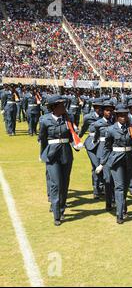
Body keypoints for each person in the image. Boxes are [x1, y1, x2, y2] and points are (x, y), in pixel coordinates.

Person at [39, 95, 81, 226]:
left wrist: (76, 144)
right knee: (56, 183)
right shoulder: (45, 120)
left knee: (64, 183)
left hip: (66, 153)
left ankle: (61, 208)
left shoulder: (69, 119)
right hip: (52, 154)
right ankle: (57, 213)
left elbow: (71, 137)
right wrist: (42, 154)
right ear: (54, 107)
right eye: (61, 105)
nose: (64, 107)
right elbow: (43, 139)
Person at [99, 103, 132, 224]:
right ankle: (119, 213)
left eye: (125, 115)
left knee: (126, 186)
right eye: (121, 115)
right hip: (116, 160)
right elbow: (107, 147)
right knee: (119, 187)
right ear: (117, 116)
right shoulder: (111, 129)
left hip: (129, 159)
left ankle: (123, 207)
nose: (123, 117)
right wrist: (102, 163)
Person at [80, 98, 103, 199]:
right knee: (96, 166)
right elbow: (83, 129)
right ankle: (96, 189)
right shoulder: (88, 117)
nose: (100, 109)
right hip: (91, 144)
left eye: (101, 107)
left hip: (102, 144)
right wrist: (78, 139)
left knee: (102, 165)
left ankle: (102, 187)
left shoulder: (106, 117)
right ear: (94, 108)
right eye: (98, 107)